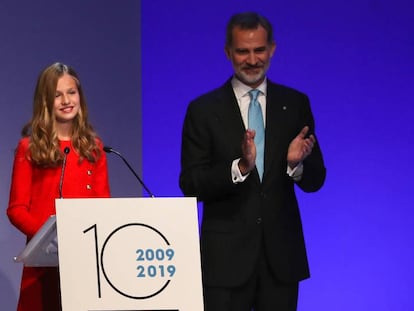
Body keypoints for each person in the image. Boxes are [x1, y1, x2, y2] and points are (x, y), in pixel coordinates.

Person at [179, 12, 326, 311]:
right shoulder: (204, 110)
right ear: (228, 53)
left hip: (281, 261)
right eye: (243, 51)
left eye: (259, 50)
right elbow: (191, 184)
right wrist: (240, 168)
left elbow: (316, 179)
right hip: (225, 262)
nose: (252, 59)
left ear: (272, 49)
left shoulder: (295, 104)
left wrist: (295, 165)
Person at [7, 62, 111, 311]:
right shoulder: (29, 148)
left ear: (80, 97)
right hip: (44, 263)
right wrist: (49, 241)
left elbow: (104, 206)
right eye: (57, 95)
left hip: (84, 261)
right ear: (45, 101)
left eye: (71, 92)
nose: (66, 100)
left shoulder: (94, 148)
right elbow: (16, 209)